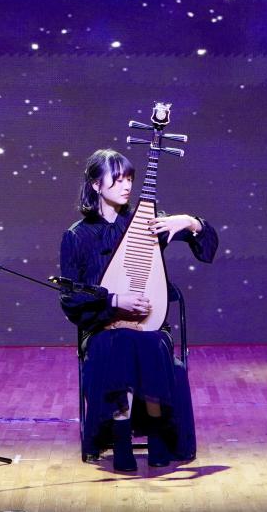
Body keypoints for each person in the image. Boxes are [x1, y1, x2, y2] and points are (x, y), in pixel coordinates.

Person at [59, 149, 218, 471]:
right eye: (118, 179)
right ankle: (121, 441)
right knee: (120, 344)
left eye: (130, 179)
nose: (126, 186)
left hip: (150, 328)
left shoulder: (146, 225)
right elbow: (70, 297)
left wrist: (189, 222)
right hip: (103, 329)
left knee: (149, 343)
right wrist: (114, 302)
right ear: (95, 184)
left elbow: (207, 249)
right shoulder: (77, 236)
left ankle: (157, 436)